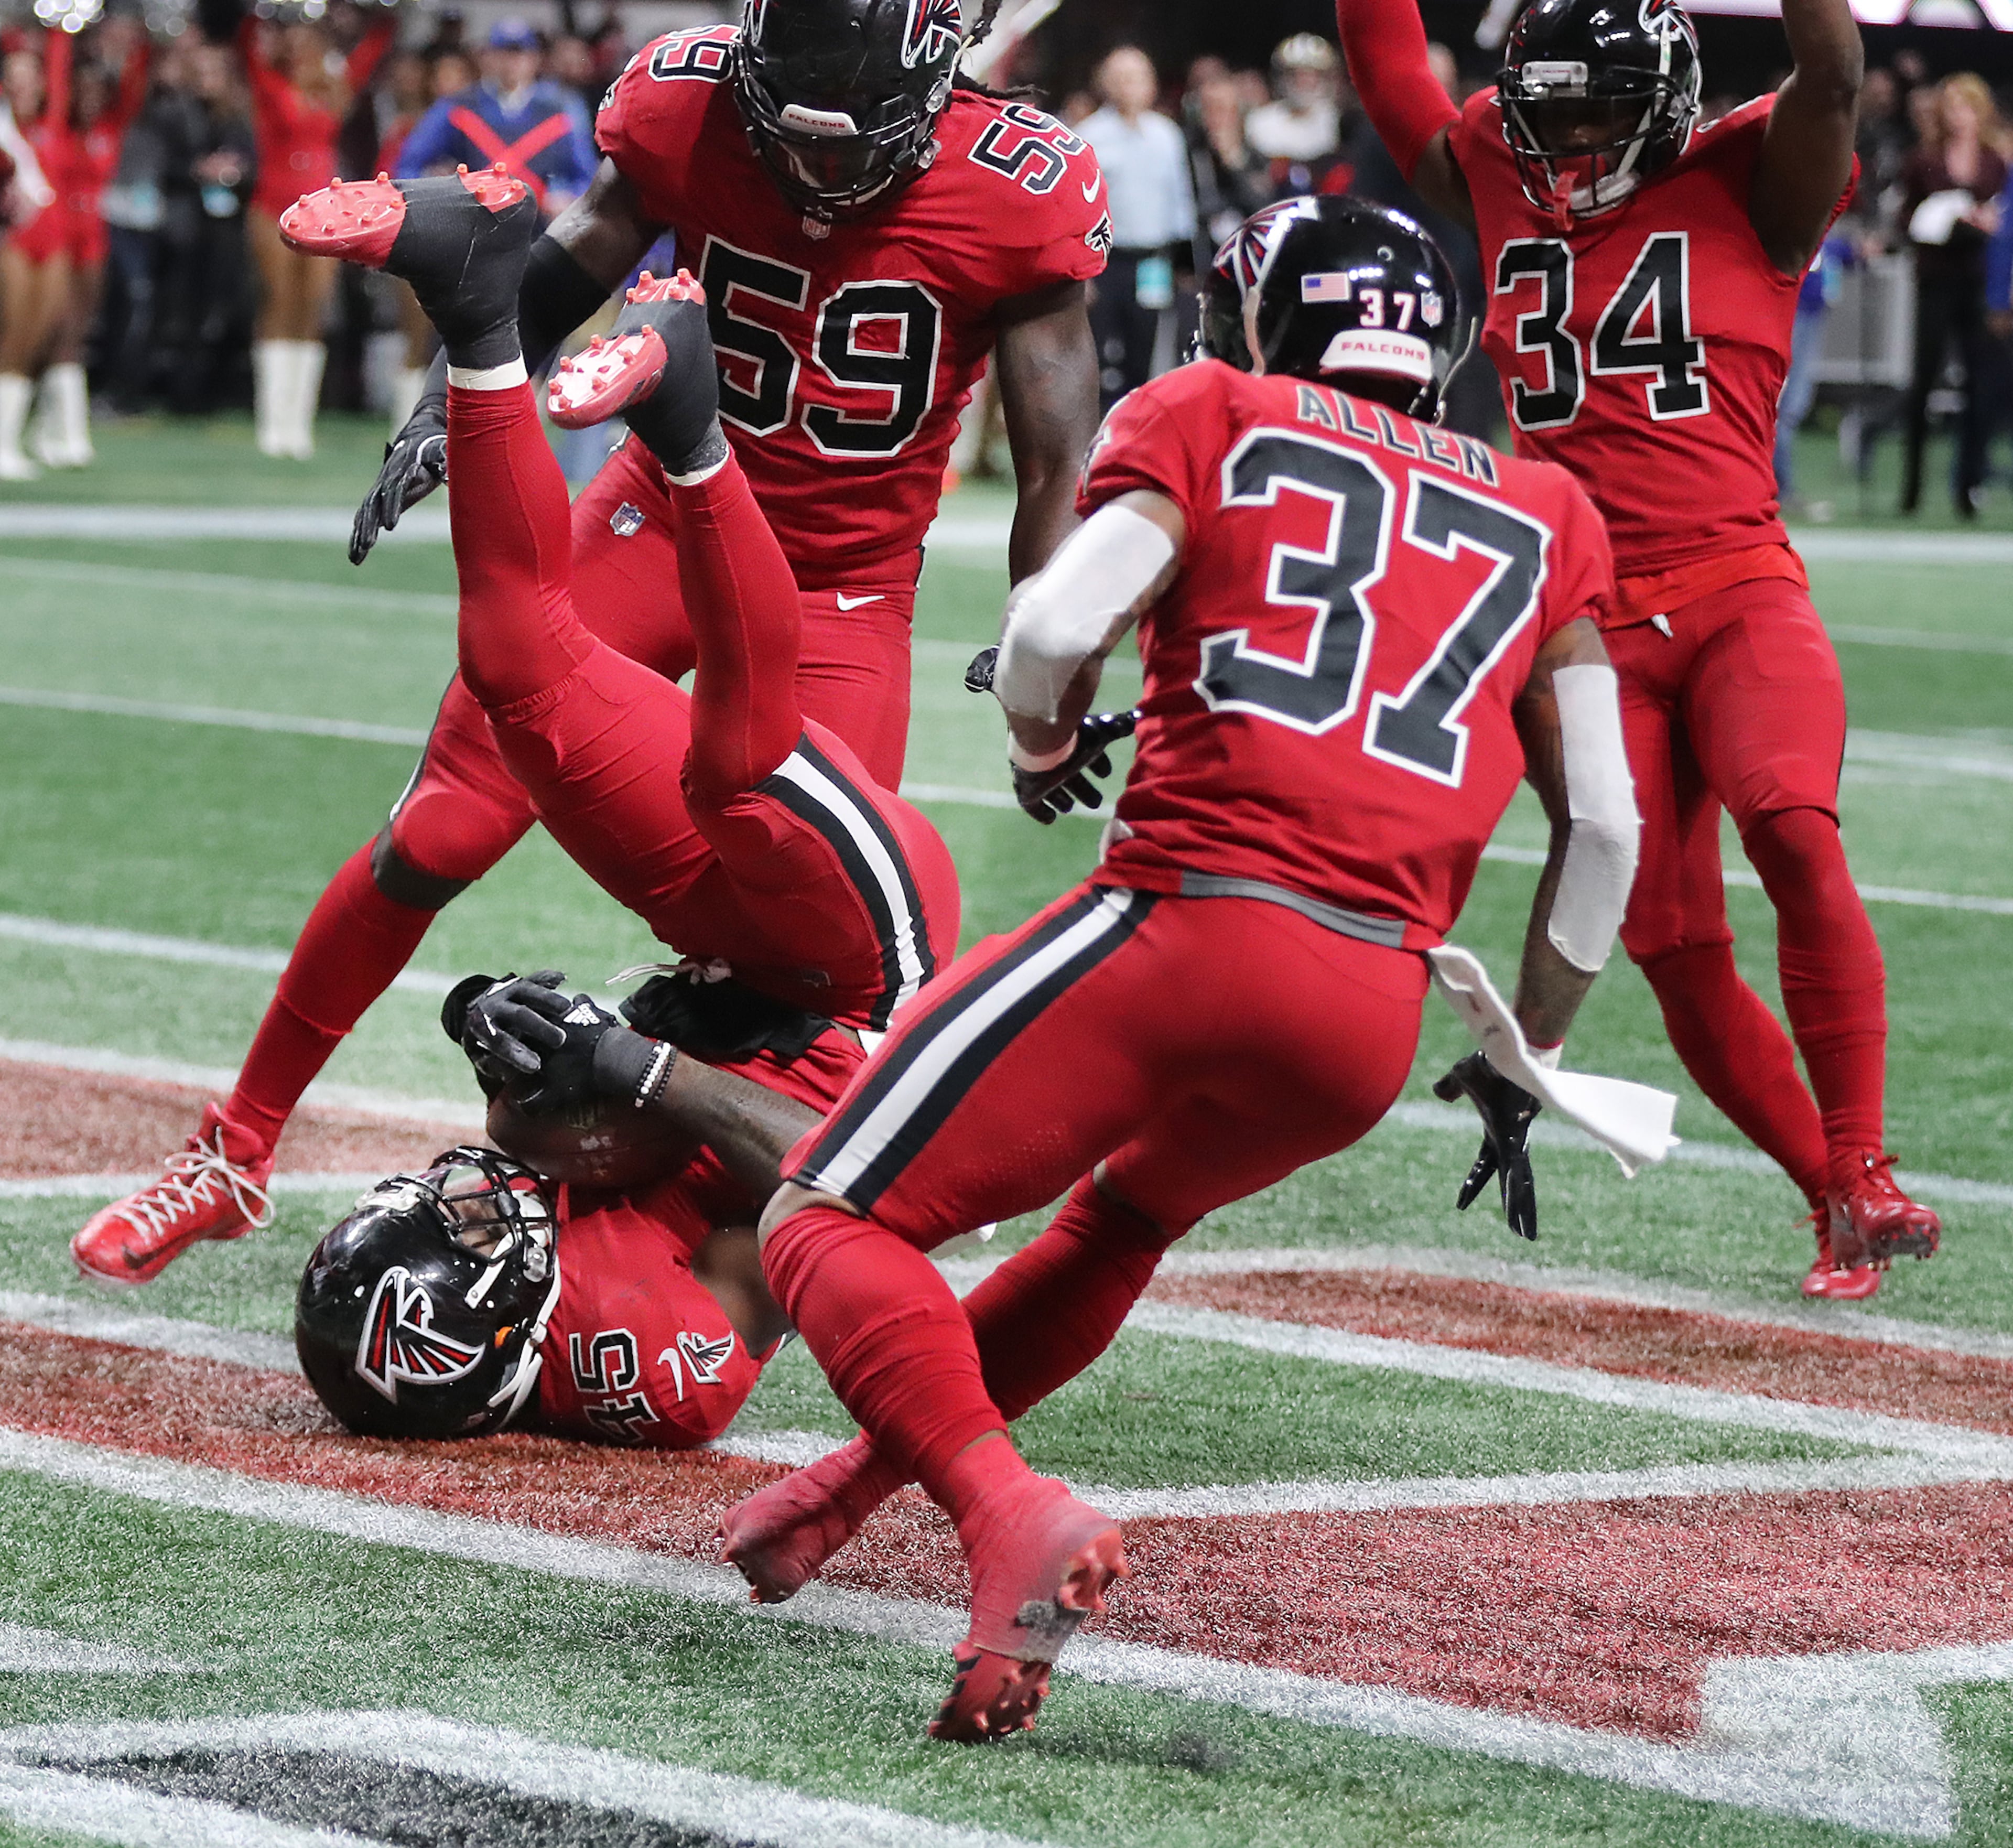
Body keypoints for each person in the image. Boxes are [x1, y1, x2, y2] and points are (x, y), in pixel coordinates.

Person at [728, 196, 1636, 1742]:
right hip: (1365, 1011)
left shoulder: (1215, 406)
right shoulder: (1549, 510)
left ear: (1270, 320)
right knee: (1121, 1214)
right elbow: (1604, 829)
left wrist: (1037, 730)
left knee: (819, 1213)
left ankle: (997, 1507)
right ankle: (855, 1489)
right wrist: (1521, 1056)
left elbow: (1051, 627)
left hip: (1192, 916)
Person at [70, 0, 1106, 1289]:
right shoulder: (691, 96)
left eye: (850, 146)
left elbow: (1059, 459)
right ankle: (234, 1148)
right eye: (788, 132)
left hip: (839, 585)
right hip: (654, 516)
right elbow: (569, 262)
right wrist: (461, 393)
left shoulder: (1015, 184)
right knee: (445, 820)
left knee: (807, 967)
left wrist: (1047, 664)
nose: (815, 171)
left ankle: (634, 1244)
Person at [1334, 0, 1943, 1298]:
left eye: (1595, 112)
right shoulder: (1502, 156)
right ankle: (1828, 1196)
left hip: (1733, 588)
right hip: (1581, 625)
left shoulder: (1755, 174)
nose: (1563, 138)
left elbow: (1827, 67)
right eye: (1546, 110)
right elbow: (1385, 57)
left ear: (1662, 105)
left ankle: (1866, 1155)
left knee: (1790, 823)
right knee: (1670, 941)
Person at [295, 980, 839, 1450]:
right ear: (496, 1326)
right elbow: (841, 1193)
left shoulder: (535, 1300)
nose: (468, 1200)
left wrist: (476, 1019)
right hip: (836, 1068)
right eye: (464, 1233)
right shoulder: (652, 1355)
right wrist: (644, 1066)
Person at [236, 0, 396, 458]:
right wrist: (259, 14)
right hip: (274, 207)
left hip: (322, 211)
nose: (303, 48)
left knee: (313, 310)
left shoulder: (334, 89)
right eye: (297, 41)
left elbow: (374, 47)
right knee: (279, 304)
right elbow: (247, 45)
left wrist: (381, 15)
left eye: (311, 41)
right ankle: (272, 420)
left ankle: (297, 423)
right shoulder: (271, 84)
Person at [1896, 73, 2007, 519]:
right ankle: (1913, 487)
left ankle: (1968, 484)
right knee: (1923, 381)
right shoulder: (1923, 160)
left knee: (1980, 385)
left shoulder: (1994, 163)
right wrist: (1936, 224)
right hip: (1936, 279)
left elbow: (2002, 217)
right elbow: (1906, 219)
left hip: (1974, 281)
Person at [1077, 46, 1195, 410]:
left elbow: (1181, 200)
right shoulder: (1089, 135)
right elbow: (1079, 208)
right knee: (1099, 351)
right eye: (1123, 78)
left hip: (1153, 261)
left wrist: (1184, 264)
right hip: (1106, 261)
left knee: (1147, 348)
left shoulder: (1166, 135)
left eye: (1140, 77)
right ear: (1106, 83)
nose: (1133, 87)